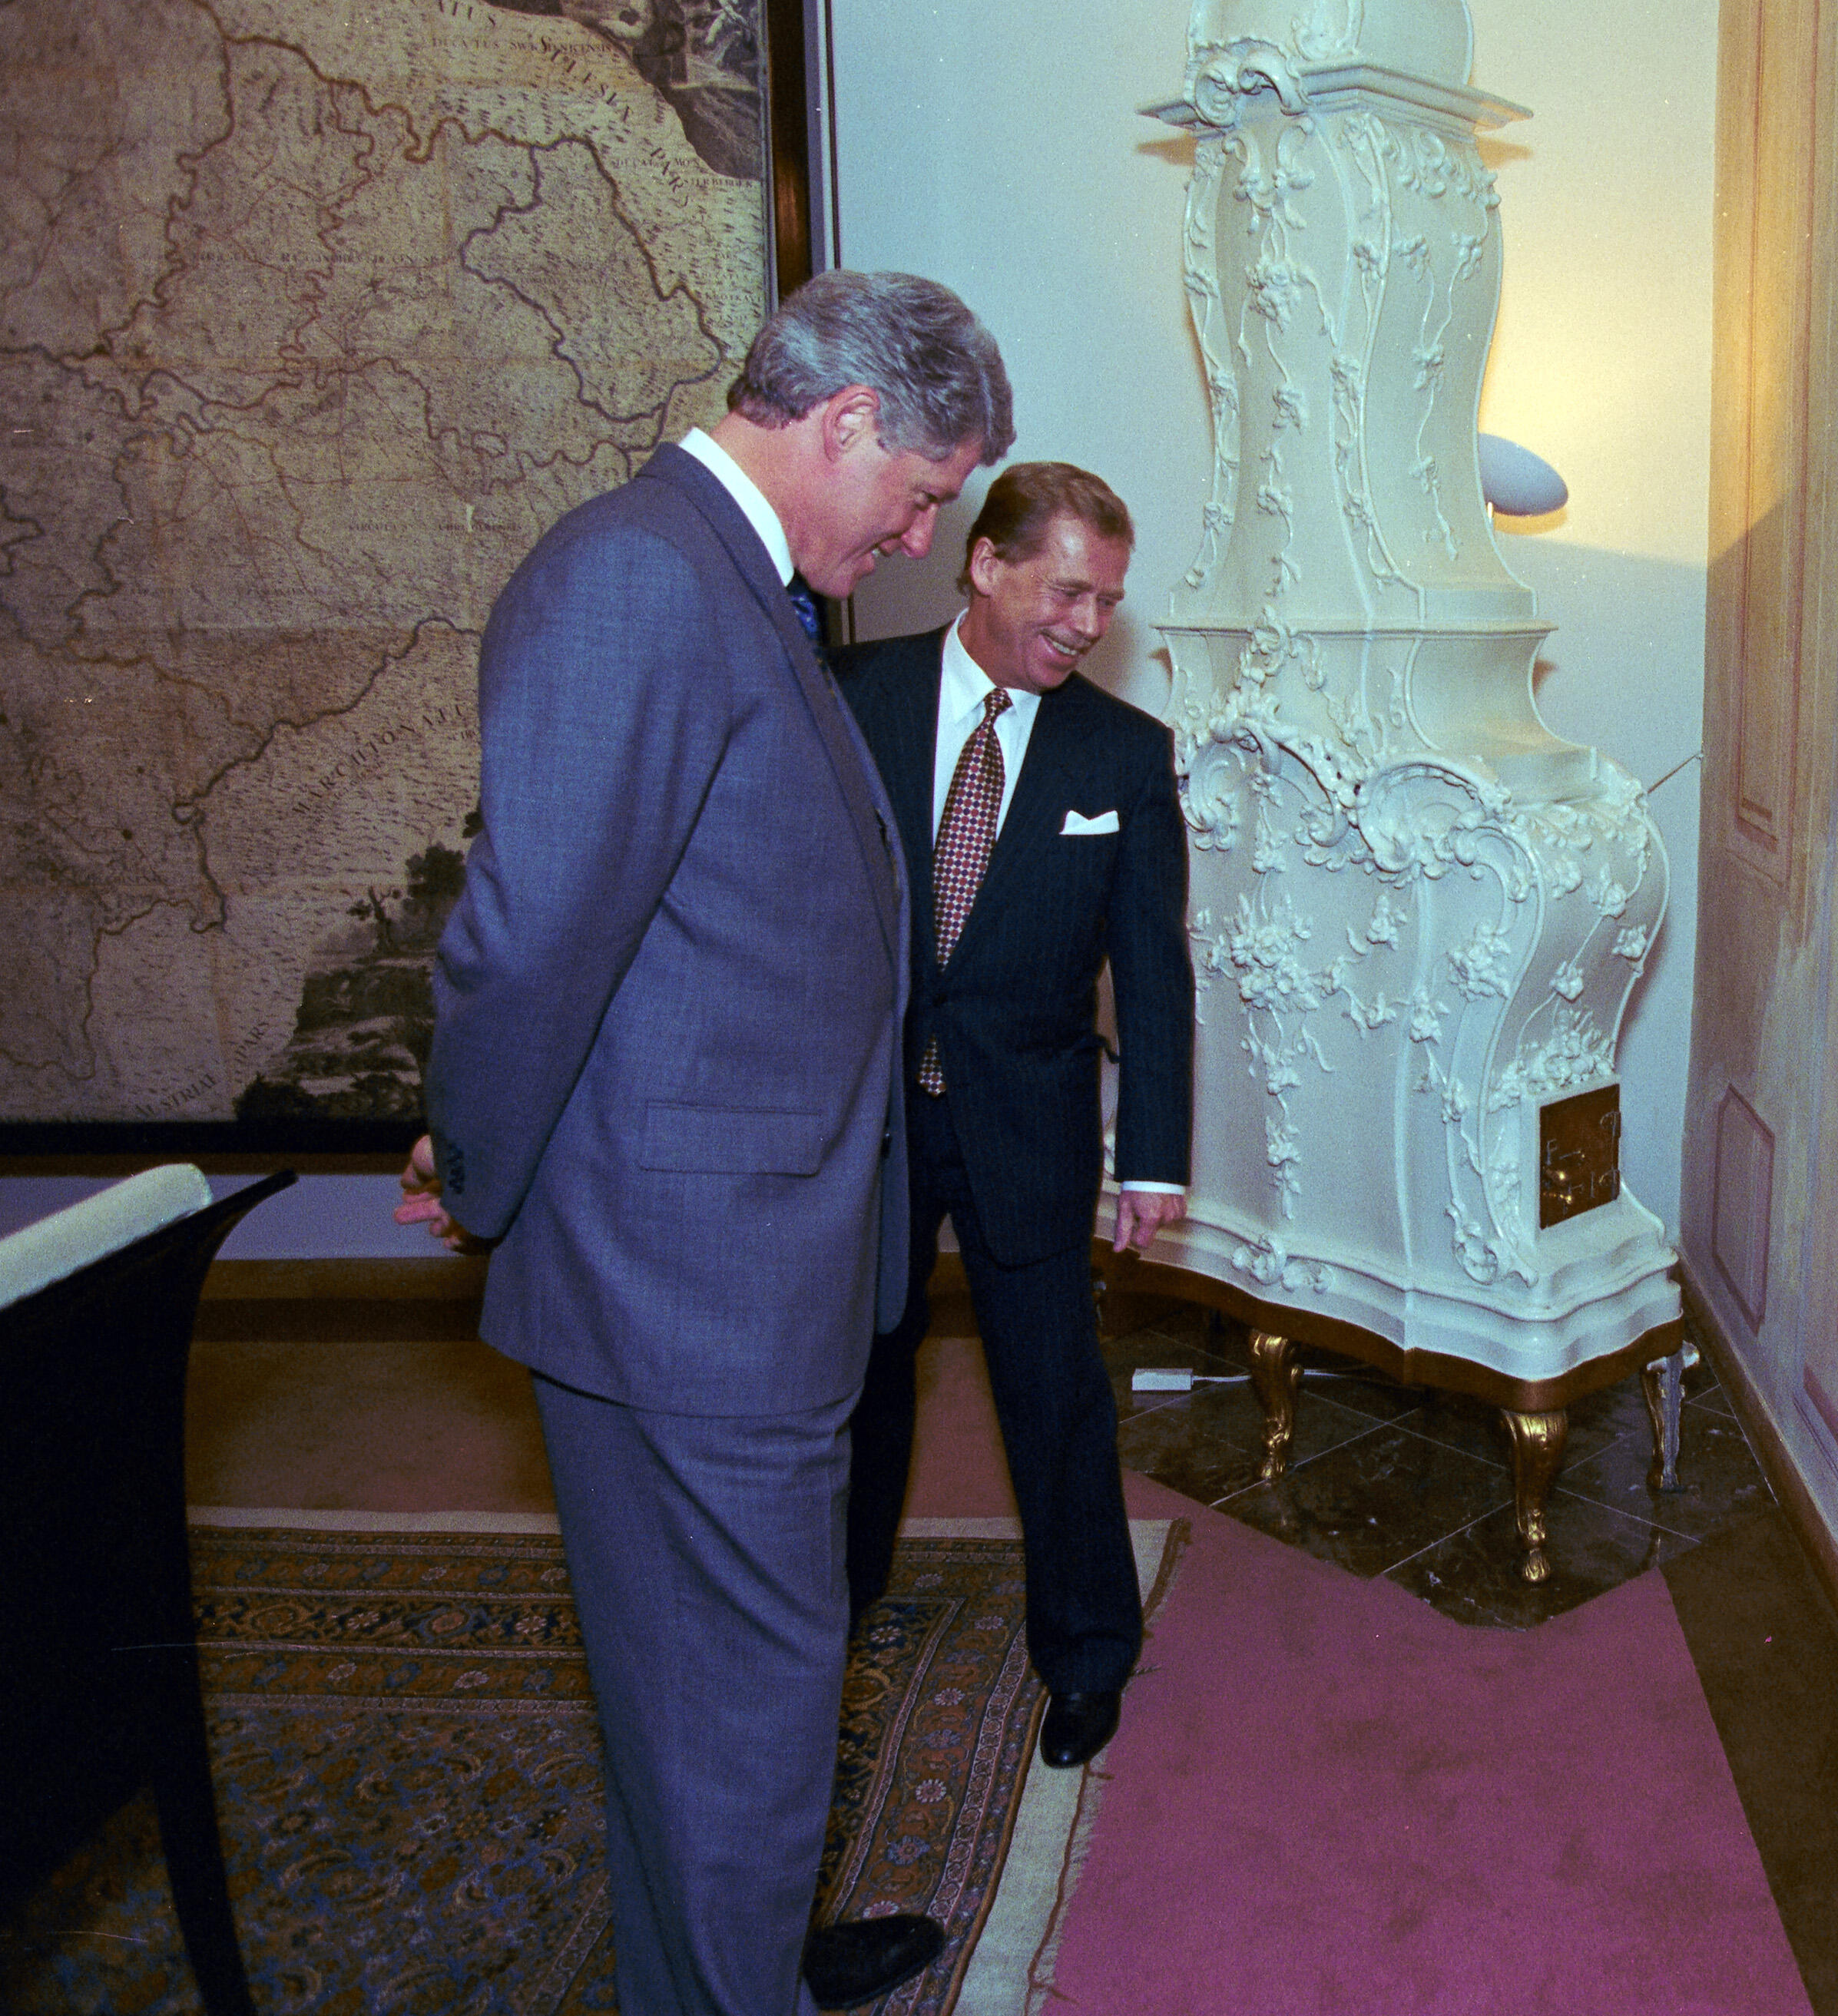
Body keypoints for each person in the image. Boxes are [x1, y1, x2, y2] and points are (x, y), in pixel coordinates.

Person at [398, 270, 1012, 2016]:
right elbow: (531, 943)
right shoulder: (635, 581)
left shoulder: (728, 588)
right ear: (841, 422)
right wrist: (479, 1156)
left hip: (739, 1279)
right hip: (689, 1294)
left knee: (711, 1730)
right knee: (731, 1737)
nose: (912, 538)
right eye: (915, 493)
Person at [832, 462, 1192, 1775]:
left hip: (1028, 1127)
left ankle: (1089, 1653)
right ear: (985, 565)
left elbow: (1155, 973)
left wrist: (1151, 1156)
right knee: (856, 1386)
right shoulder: (849, 702)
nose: (1090, 623)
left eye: (1107, 600)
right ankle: (829, 1618)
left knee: (1055, 1399)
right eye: (1070, 590)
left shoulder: (1123, 755)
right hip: (861, 1124)